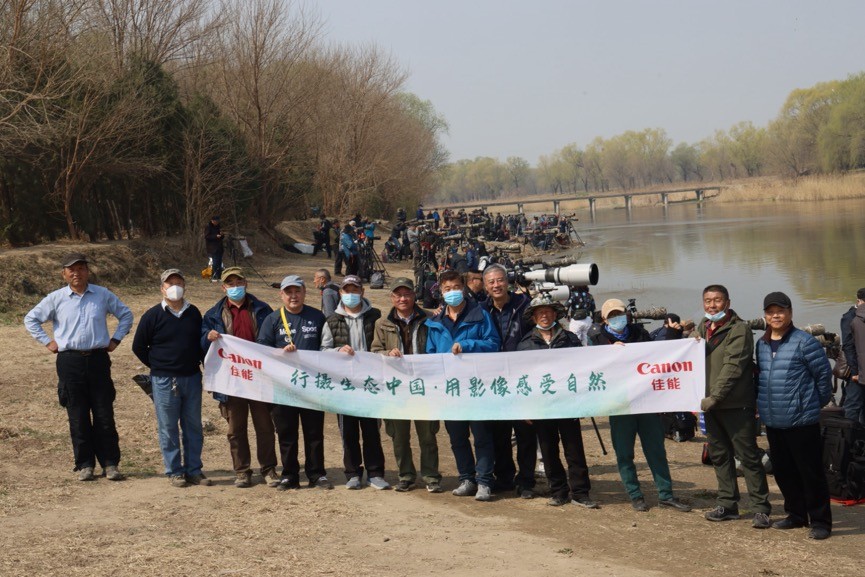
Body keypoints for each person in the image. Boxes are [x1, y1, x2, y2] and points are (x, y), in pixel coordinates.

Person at [24, 253, 133, 482]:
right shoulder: (55, 298)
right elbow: (31, 319)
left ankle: (110, 464)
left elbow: (126, 315)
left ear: (87, 271)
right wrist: (48, 342)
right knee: (77, 414)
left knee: (104, 413)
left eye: (81, 268)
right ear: (64, 274)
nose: (77, 273)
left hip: (98, 360)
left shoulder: (102, 295)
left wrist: (116, 339)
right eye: (71, 270)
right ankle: (85, 464)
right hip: (69, 362)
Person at [587, 298, 691, 513]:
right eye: (612, 315)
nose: (617, 318)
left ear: (626, 315)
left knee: (656, 450)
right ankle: (635, 494)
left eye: (620, 314)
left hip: (646, 402)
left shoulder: (640, 334)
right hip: (619, 405)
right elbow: (590, 368)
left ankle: (666, 494)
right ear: (604, 319)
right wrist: (607, 353)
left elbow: (661, 355)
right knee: (624, 453)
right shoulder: (597, 340)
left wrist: (678, 336)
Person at [756, 292, 833, 540]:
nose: (775, 316)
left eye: (780, 311)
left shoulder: (805, 342)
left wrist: (811, 404)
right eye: (771, 312)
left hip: (802, 420)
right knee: (783, 471)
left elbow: (824, 378)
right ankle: (796, 515)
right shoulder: (762, 344)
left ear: (790, 313)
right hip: (773, 420)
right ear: (765, 316)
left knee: (811, 473)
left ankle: (820, 521)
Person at [695, 284, 771, 528]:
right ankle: (727, 504)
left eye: (717, 300)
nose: (712, 305)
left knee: (748, 456)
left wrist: (715, 397)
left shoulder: (740, 329)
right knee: (719, 456)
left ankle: (761, 508)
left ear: (727, 302)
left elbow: (733, 367)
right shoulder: (702, 328)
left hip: (736, 404)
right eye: (708, 301)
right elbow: (688, 360)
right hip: (710, 405)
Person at [517, 295, 598, 509]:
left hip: (568, 403)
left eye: (548, 311)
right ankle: (558, 491)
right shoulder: (525, 345)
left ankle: (581, 493)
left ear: (555, 314)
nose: (544, 315)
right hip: (542, 406)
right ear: (533, 317)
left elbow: (582, 369)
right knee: (548, 450)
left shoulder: (570, 339)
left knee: (574, 449)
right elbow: (521, 379)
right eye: (539, 312)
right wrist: (526, 408)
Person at [426, 270, 501, 501]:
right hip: (450, 390)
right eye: (447, 289)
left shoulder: (480, 314)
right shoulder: (435, 322)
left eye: (456, 287)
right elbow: (430, 354)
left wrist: (467, 344)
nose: (452, 292)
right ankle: (466, 479)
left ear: (464, 288)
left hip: (476, 387)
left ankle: (484, 481)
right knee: (457, 438)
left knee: (482, 436)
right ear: (441, 292)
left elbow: (493, 344)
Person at [201, 266, 278, 488]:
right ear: (223, 288)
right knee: (235, 429)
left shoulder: (262, 309)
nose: (235, 287)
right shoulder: (213, 314)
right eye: (230, 283)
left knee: (265, 426)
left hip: (259, 377)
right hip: (231, 379)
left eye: (239, 283)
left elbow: (273, 338)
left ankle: (269, 469)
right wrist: (207, 337)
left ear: (246, 284)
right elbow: (201, 344)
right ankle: (242, 471)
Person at [132, 269, 209, 487]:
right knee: (168, 427)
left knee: (193, 426)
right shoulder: (152, 315)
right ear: (162, 289)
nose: (175, 287)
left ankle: (194, 470)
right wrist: (158, 365)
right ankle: (175, 471)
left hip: (191, 377)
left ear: (184, 286)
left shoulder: (194, 313)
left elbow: (200, 343)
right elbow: (138, 346)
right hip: (164, 380)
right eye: (169, 283)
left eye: (179, 283)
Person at [257, 275, 331, 490]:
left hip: (312, 386)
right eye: (288, 292)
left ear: (304, 292)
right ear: (282, 295)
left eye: (297, 291)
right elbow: (262, 350)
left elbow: (327, 348)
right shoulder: (272, 319)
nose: (293, 296)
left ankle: (317, 474)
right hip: (283, 387)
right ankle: (290, 475)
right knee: (286, 433)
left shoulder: (317, 317)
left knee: (314, 433)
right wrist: (280, 353)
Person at [371, 277, 442, 492]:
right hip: (396, 389)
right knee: (399, 436)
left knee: (427, 435)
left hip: (424, 387)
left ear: (414, 295)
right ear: (392, 297)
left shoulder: (430, 319)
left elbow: (438, 348)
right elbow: (375, 351)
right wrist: (387, 353)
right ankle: (406, 475)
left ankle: (431, 476)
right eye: (398, 295)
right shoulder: (382, 323)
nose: (403, 299)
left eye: (407, 294)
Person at [320, 275, 389, 490]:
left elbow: (383, 344)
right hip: (345, 386)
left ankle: (375, 473)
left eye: (355, 290)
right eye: (346, 290)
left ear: (362, 292)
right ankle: (352, 473)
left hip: (370, 384)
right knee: (348, 431)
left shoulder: (375, 316)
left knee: (371, 430)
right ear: (340, 293)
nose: (351, 294)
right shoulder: (332, 320)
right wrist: (337, 350)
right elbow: (323, 350)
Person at [481, 264, 536, 497]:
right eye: (491, 282)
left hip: (522, 377)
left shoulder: (525, 305)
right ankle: (504, 477)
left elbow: (540, 332)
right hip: (495, 379)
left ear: (508, 281)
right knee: (499, 432)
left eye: (500, 280)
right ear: (485, 286)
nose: (496, 285)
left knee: (525, 432)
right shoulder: (481, 310)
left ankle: (526, 481)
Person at [841, 288, 865, 424]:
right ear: (858, 301)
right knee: (853, 404)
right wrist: (855, 371)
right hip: (855, 368)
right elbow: (848, 346)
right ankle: (849, 434)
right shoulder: (849, 317)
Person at [204, 215, 224, 282]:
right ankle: (214, 276)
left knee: (219, 262)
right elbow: (207, 236)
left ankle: (219, 276)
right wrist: (215, 236)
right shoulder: (208, 227)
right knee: (215, 262)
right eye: (216, 221)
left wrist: (222, 235)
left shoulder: (219, 226)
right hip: (212, 247)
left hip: (219, 247)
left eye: (218, 221)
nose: (217, 222)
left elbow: (221, 237)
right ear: (212, 221)